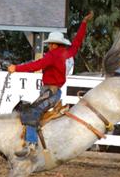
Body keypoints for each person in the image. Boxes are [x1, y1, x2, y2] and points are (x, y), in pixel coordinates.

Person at [8, 11, 94, 158]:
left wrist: (16, 68)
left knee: (31, 113)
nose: (48, 46)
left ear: (54, 44)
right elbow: (77, 42)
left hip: (50, 92)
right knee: (32, 112)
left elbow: (36, 65)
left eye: (49, 44)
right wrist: (84, 23)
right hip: (54, 92)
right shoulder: (66, 53)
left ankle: (31, 145)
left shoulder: (52, 55)